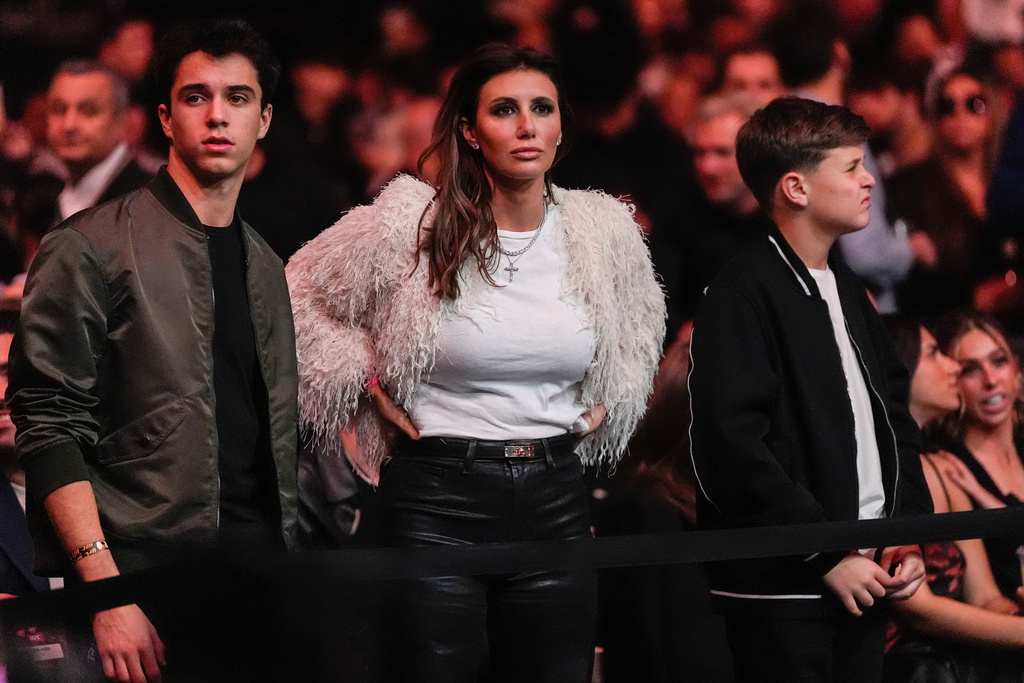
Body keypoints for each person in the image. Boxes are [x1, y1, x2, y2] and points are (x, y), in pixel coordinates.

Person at [286, 43, 665, 682]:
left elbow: (640, 326)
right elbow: (295, 292)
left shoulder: (603, 230)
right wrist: (366, 379)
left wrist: (615, 391)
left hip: (555, 496)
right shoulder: (410, 224)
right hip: (436, 499)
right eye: (505, 110)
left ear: (561, 125)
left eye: (542, 109)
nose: (526, 126)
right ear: (469, 129)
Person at [7, 20, 298, 683]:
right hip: (141, 581)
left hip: (257, 583)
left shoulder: (266, 265)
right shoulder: (88, 246)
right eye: (196, 97)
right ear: (164, 118)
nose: (218, 114)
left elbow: (276, 441)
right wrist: (107, 592)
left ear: (266, 118)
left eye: (238, 97)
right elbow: (49, 424)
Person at [688, 96, 932, 682]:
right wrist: (826, 553)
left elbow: (893, 414)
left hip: (868, 575)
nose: (868, 179)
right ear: (796, 188)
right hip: (788, 593)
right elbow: (730, 448)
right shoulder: (741, 292)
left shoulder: (845, 284)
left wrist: (906, 534)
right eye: (850, 168)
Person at [881, 316, 1024, 682]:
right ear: (899, 369)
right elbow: (915, 608)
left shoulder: (941, 471)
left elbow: (985, 595)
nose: (952, 370)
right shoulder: (890, 469)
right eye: (935, 355)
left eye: (999, 360)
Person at [888, 69, 1003, 319]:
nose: (960, 115)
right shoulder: (910, 188)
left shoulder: (1010, 182)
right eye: (946, 106)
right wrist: (972, 296)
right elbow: (910, 282)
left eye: (974, 104)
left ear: (993, 111)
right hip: (947, 326)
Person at [931, 309, 1024, 600]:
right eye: (970, 369)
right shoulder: (950, 468)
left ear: (1016, 368)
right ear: (952, 380)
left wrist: (995, 507)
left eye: (999, 362)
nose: (990, 380)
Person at [29, 59, 153, 231]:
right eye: (58, 109)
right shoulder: (45, 204)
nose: (69, 125)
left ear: (122, 123)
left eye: (88, 111)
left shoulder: (148, 204)